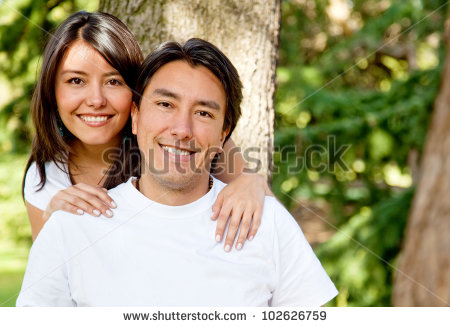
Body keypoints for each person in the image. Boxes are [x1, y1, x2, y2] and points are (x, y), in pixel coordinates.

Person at [17, 38, 338, 306]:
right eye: (166, 105)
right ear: (136, 116)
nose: (182, 130)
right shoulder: (71, 224)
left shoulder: (268, 223)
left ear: (224, 133)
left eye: (202, 112)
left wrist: (251, 181)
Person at [22, 11, 271, 251]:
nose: (96, 100)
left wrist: (253, 183)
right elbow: (54, 280)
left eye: (113, 81)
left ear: (136, 95)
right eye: (76, 81)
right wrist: (55, 222)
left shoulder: (176, 143)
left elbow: (260, 198)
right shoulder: (45, 176)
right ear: (51, 91)